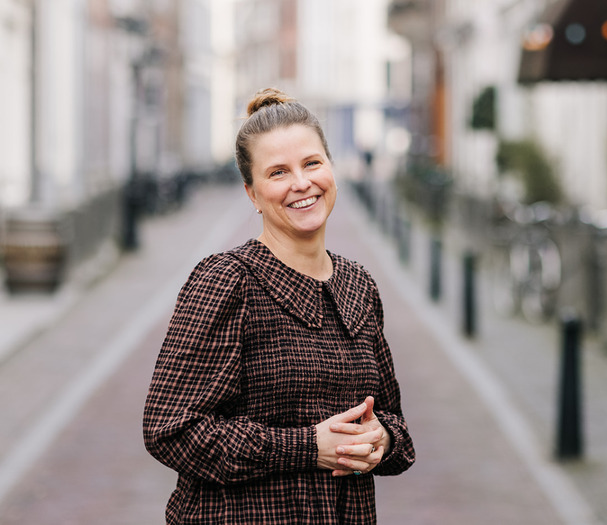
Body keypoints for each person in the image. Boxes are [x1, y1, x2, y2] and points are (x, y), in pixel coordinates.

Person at [143, 87, 415, 524]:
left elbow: (394, 425)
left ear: (331, 168)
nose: (301, 183)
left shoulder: (359, 285)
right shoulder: (228, 281)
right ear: (252, 194)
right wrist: (308, 447)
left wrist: (381, 440)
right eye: (278, 172)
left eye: (312, 163)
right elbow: (170, 428)